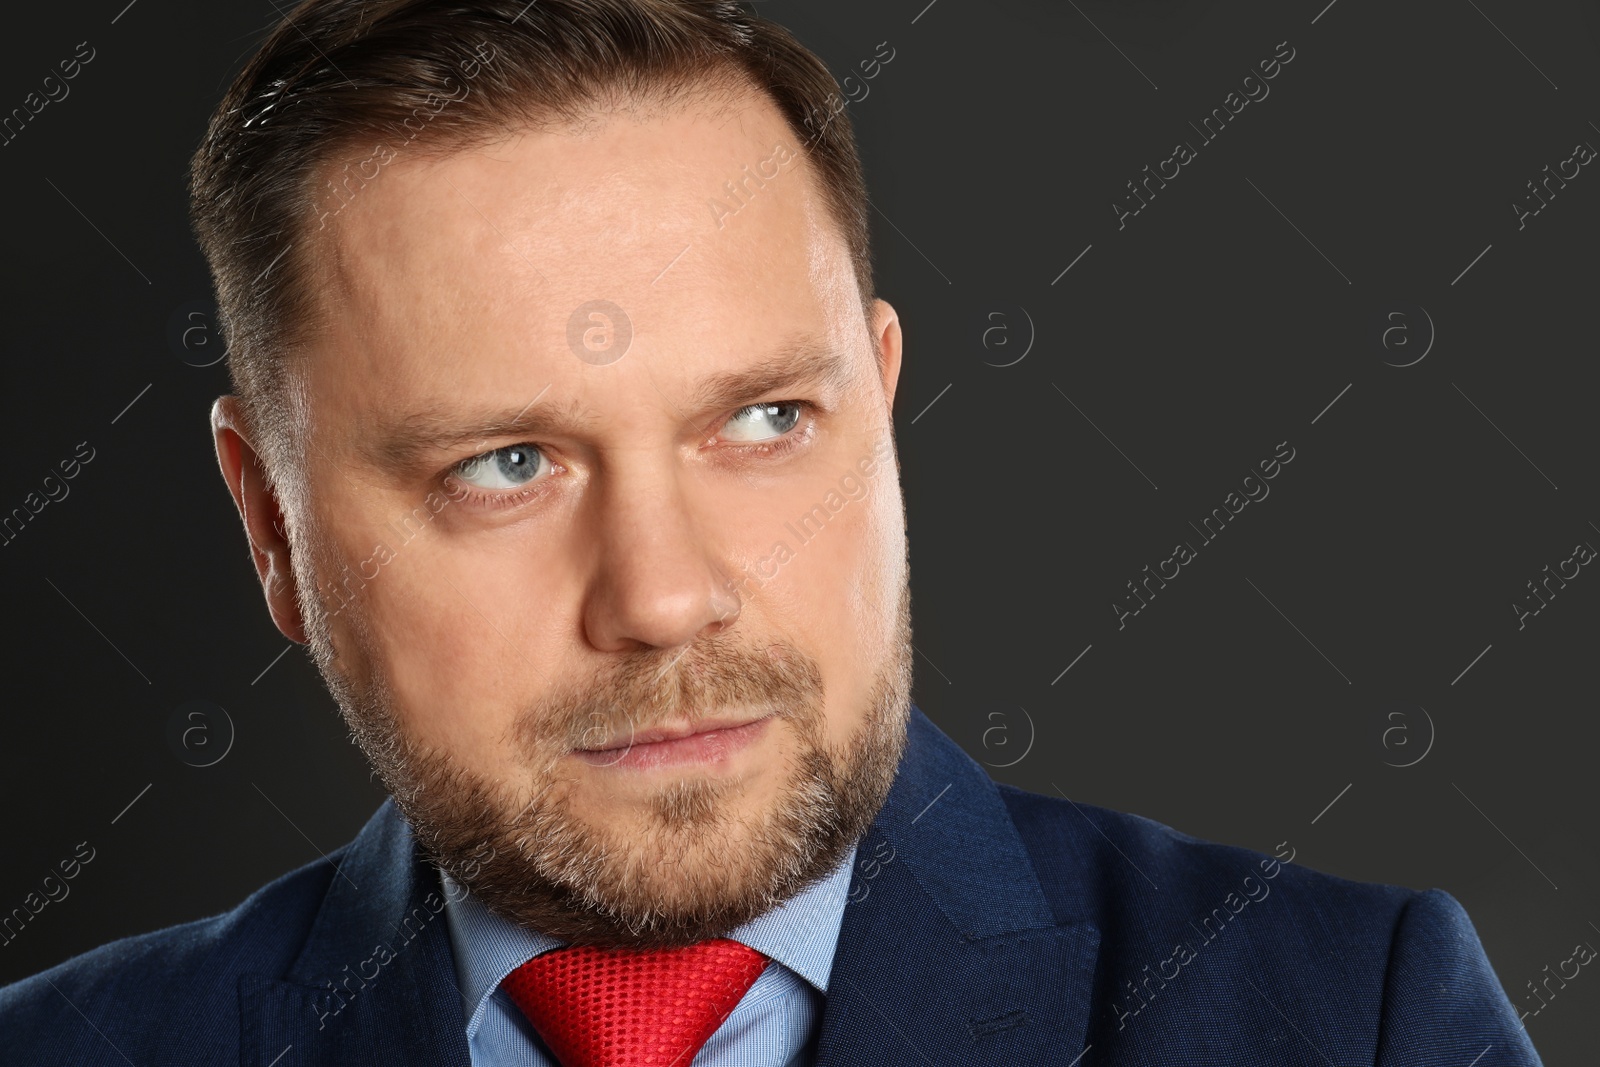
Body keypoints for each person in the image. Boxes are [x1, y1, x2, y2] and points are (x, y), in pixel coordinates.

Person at [0, 1, 1542, 1063]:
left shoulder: (1348, 1021)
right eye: (508, 463)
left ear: (877, 405)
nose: (665, 601)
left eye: (760, 423)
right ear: (270, 528)